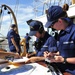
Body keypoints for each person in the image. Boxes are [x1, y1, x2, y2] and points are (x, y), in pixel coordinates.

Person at [44, 4, 75, 74]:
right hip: (60, 70)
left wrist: (63, 60)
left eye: (51, 25)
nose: (51, 27)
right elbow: (64, 52)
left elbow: (64, 58)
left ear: (60, 21)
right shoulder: (61, 33)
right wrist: (53, 54)